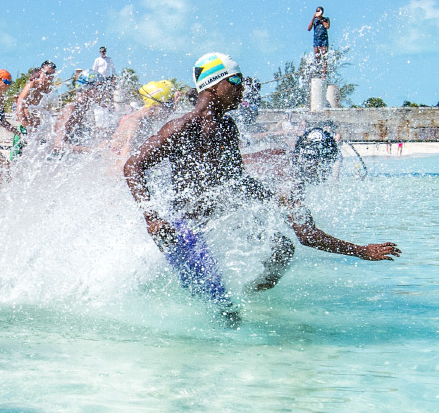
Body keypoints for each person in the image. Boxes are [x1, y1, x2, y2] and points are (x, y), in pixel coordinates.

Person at [123, 54, 394, 325]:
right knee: (228, 314)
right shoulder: (183, 127)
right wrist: (153, 218)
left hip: (217, 222)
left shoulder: (227, 128)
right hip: (182, 232)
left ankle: (251, 297)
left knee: (283, 249)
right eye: (236, 81)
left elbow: (236, 181)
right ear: (213, 85)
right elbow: (132, 166)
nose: (242, 89)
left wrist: (276, 198)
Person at [238, 126, 403, 288]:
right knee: (283, 251)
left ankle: (241, 294)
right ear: (318, 161)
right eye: (327, 165)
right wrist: (361, 251)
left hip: (223, 200)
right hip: (225, 209)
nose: (326, 172)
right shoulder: (293, 180)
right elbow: (306, 235)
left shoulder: (280, 157)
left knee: (273, 240)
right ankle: (245, 298)